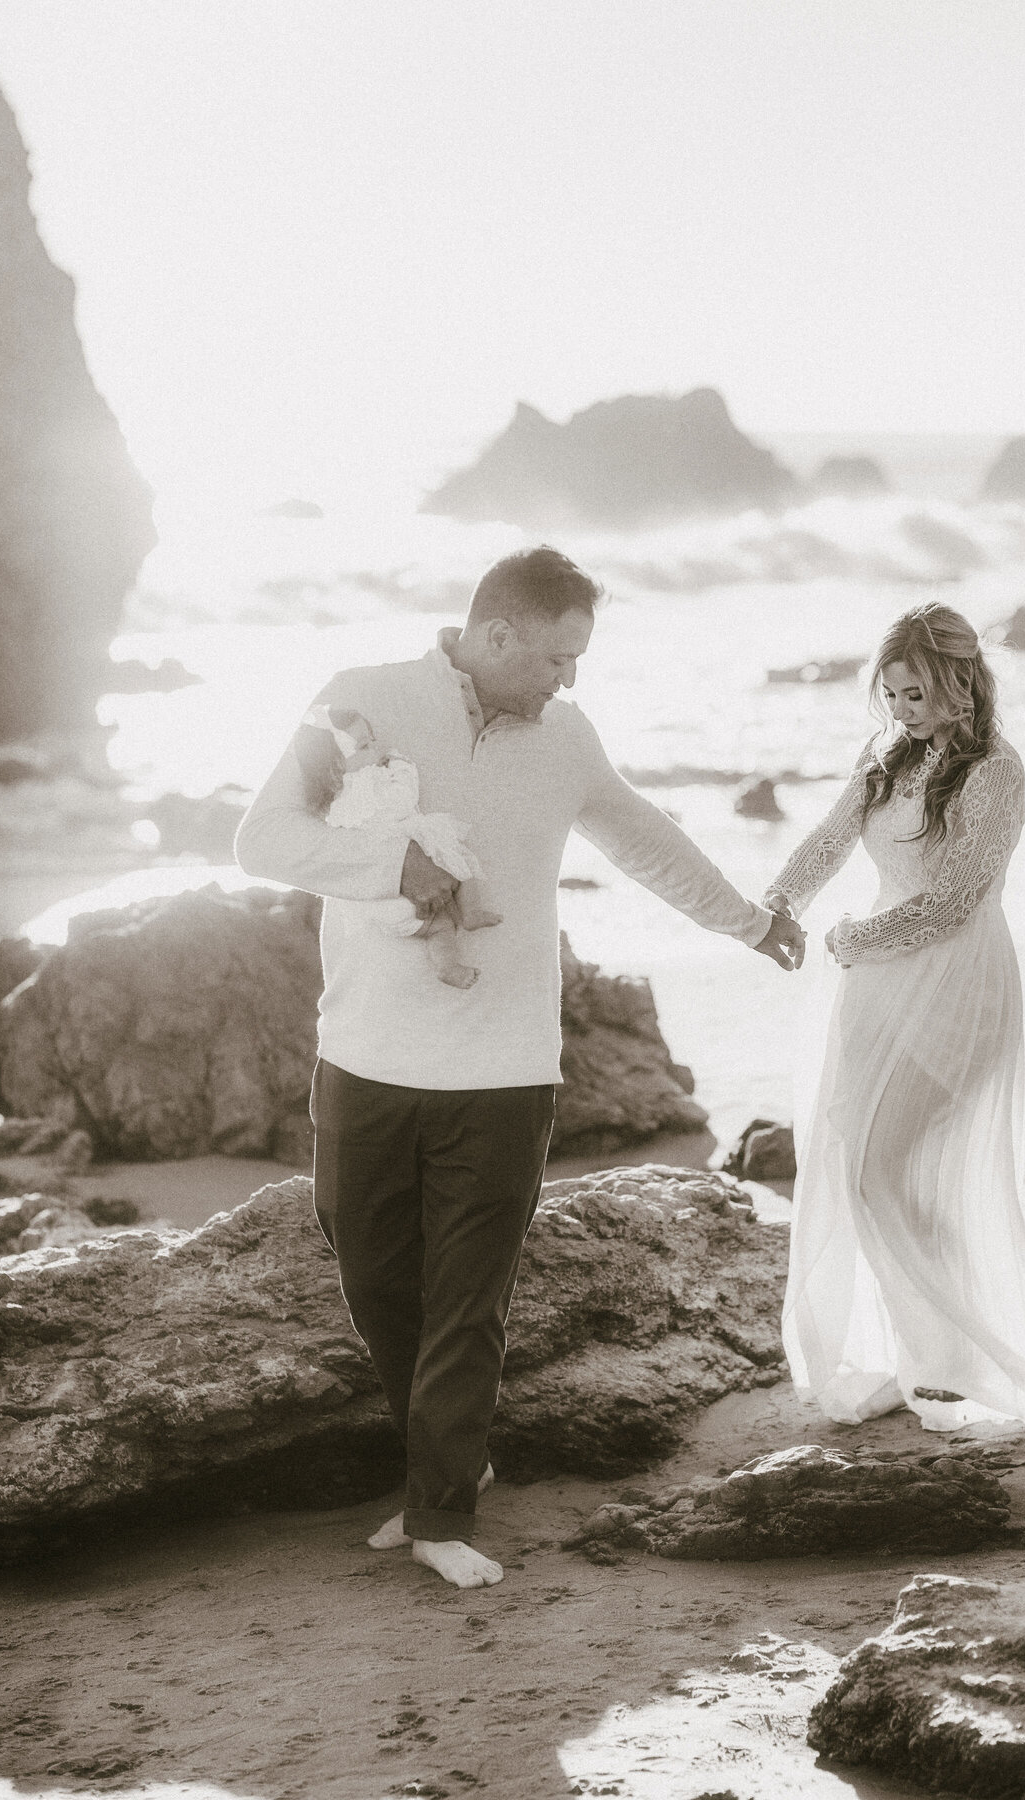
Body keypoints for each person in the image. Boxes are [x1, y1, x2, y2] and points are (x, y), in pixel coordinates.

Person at [235, 545, 804, 1588]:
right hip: (362, 1053)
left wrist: (749, 920)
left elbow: (645, 839)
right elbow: (260, 835)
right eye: (557, 656)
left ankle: (439, 1510)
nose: (568, 679)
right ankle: (452, 1460)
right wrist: (391, 866)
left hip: (505, 1066)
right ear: (496, 635)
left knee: (468, 1298)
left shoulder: (567, 738)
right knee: (374, 1276)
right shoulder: (357, 702)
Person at [762, 601, 1025, 1433]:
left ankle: (957, 1354)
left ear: (962, 683)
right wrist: (778, 903)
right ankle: (929, 1353)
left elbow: (953, 903)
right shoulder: (886, 755)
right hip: (876, 985)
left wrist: (855, 935)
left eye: (917, 695)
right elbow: (829, 838)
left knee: (885, 1170)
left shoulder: (996, 770)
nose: (901, 711)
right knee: (871, 1166)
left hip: (956, 985)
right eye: (891, 695)